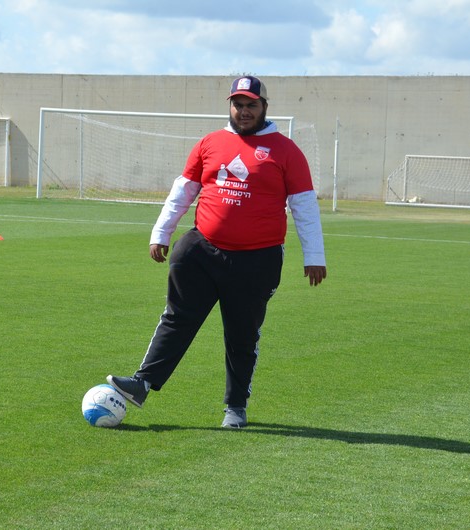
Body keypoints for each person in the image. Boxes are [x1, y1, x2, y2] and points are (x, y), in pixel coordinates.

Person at [107, 76, 327, 429]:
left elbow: (304, 206)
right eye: (238, 104)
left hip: (257, 259)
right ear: (230, 106)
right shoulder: (210, 143)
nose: (243, 111)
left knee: (241, 335)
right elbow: (184, 191)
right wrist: (161, 232)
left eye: (251, 105)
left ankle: (235, 408)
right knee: (177, 318)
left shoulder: (286, 151)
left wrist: (314, 255)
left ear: (264, 107)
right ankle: (142, 383)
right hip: (202, 250)